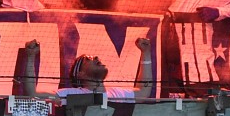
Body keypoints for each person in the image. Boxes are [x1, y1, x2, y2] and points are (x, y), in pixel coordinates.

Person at [18, 36, 155, 98]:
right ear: (81, 74)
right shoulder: (70, 95)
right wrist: (30, 57)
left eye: (95, 57)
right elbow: (32, 95)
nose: (96, 58)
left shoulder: (117, 94)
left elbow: (144, 91)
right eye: (88, 59)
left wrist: (146, 53)